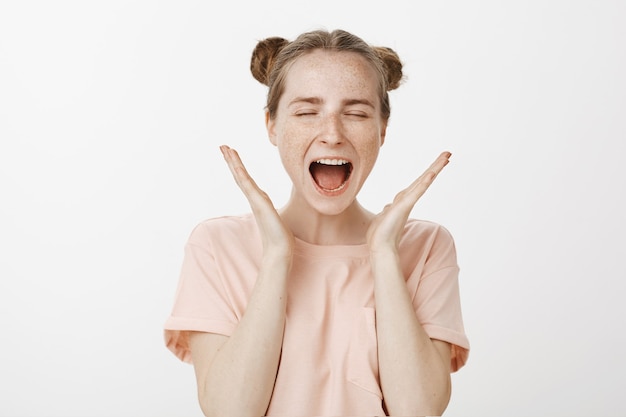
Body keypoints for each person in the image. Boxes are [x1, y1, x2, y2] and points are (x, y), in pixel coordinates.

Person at [164, 28, 469, 417]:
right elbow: (230, 411)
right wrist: (277, 255)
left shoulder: (426, 247)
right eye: (308, 112)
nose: (332, 135)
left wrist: (384, 255)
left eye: (356, 113)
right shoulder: (217, 244)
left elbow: (417, 410)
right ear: (272, 125)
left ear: (382, 129)